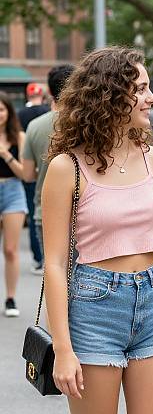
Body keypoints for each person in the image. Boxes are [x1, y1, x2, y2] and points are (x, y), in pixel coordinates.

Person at [42, 46, 153, 414]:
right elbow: (53, 265)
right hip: (94, 309)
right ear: (110, 96)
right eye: (141, 89)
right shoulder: (67, 168)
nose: (151, 98)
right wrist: (63, 348)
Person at [22, 64, 75, 264]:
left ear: (51, 92)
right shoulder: (85, 123)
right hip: (83, 210)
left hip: (45, 211)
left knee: (54, 274)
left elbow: (27, 174)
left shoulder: (34, 127)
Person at [0, 92, 28, 317]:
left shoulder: (19, 137)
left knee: (10, 249)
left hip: (13, 191)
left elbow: (25, 174)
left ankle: (10, 298)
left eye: (2, 109)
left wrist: (5, 155)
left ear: (8, 112)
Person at [18, 82, 50, 272]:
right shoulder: (47, 112)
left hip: (36, 174)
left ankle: (38, 258)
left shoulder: (22, 115)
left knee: (34, 216)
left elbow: (24, 150)